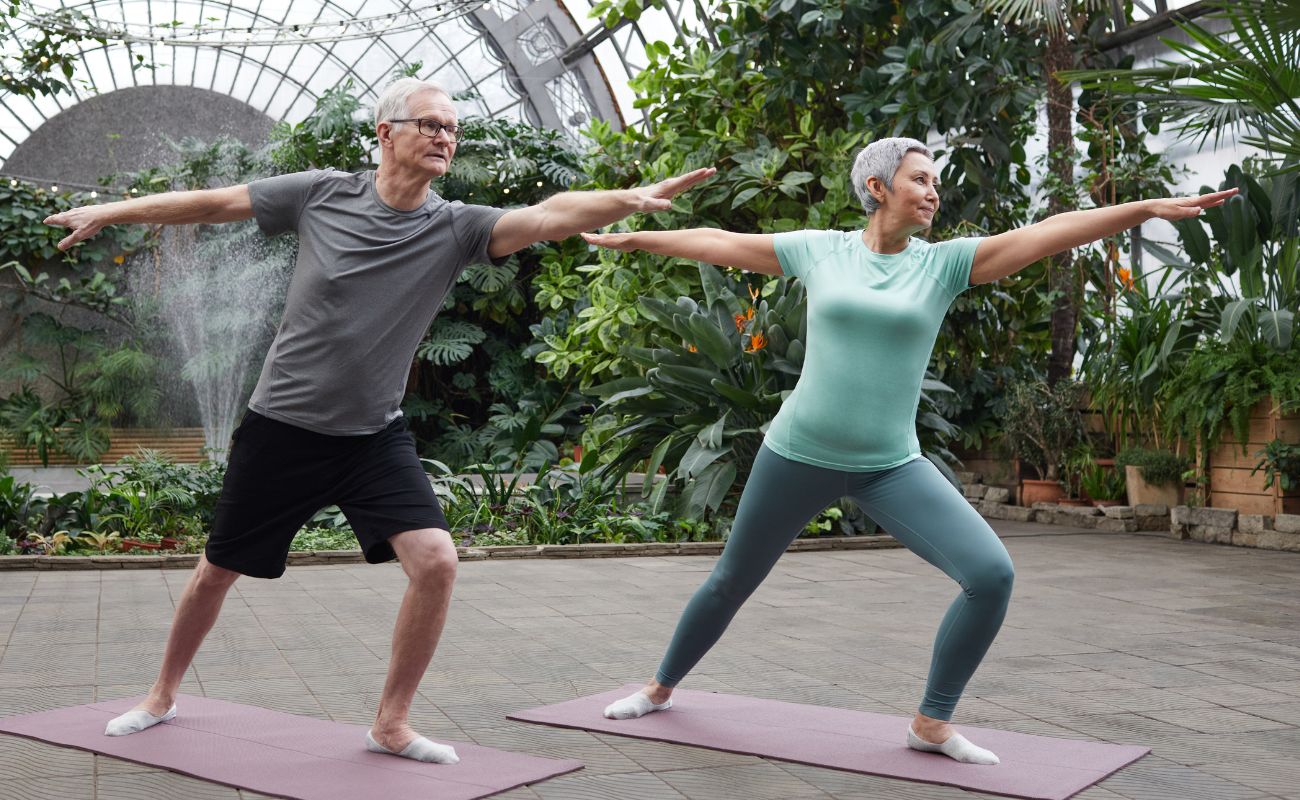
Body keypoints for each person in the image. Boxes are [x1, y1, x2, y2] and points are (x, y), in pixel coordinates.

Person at [44, 77, 714, 765]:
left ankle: (391, 723)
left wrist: (630, 199)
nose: (444, 137)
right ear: (386, 132)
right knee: (217, 569)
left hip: (373, 435)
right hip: (283, 426)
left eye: (452, 129)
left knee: (436, 562)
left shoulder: (457, 227)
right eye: (429, 124)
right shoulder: (322, 193)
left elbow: (546, 214)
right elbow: (217, 204)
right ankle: (160, 696)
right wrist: (116, 212)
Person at [584, 136, 1236, 765]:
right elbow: (721, 243)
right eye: (920, 179)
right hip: (796, 454)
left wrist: (1143, 208)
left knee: (991, 575)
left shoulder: (944, 264)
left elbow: (1050, 231)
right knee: (731, 581)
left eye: (935, 182)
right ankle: (659, 688)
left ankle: (931, 722)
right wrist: (638, 235)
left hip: (890, 466)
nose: (933, 192)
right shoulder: (822, 251)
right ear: (877, 187)